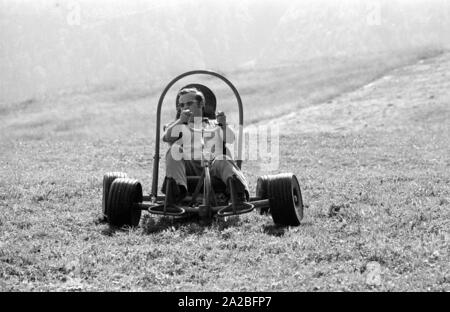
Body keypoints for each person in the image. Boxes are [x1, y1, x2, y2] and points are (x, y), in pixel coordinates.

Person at [162, 87, 249, 207]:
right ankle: (176, 195)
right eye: (181, 105)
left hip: (214, 167)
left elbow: (230, 138)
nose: (185, 108)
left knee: (223, 158)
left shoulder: (214, 123)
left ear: (201, 104)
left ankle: (238, 195)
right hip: (189, 167)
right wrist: (181, 121)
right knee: (174, 151)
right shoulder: (178, 125)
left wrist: (223, 125)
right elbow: (167, 137)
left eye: (189, 103)